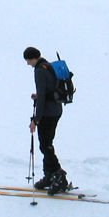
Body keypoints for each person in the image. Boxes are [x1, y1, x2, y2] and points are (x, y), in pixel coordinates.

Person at [23, 46, 69, 195]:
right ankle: (49, 176)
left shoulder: (40, 71)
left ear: (32, 58)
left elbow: (43, 97)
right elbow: (49, 90)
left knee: (45, 145)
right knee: (47, 144)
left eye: (28, 60)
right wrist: (39, 95)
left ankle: (59, 176)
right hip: (56, 110)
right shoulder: (47, 65)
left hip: (48, 113)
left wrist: (36, 120)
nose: (27, 63)